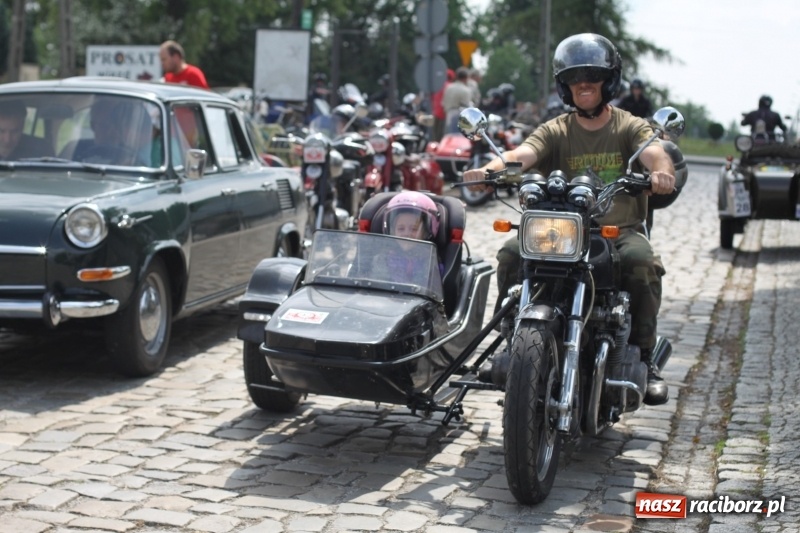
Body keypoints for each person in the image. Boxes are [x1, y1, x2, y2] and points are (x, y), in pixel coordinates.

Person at [463, 33, 676, 406]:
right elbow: (522, 154)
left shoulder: (629, 126)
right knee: (511, 254)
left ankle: (644, 355)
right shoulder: (556, 129)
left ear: (608, 80)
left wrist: (661, 172)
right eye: (575, 77)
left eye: (592, 75)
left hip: (615, 232)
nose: (584, 84)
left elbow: (654, 153)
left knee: (641, 262)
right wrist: (489, 169)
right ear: (565, 85)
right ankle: (513, 341)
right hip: (559, 231)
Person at [381, 191, 444, 278]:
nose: (407, 233)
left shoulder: (431, 261)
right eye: (401, 229)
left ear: (426, 231)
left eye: (414, 229)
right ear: (392, 230)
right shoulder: (383, 259)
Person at [442, 67, 474, 134]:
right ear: (466, 78)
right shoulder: (466, 90)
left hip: (448, 116)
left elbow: (443, 103)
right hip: (460, 119)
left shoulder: (448, 87)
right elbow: (467, 108)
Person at [432, 69, 455, 141]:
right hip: (445, 113)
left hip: (436, 112)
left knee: (436, 134)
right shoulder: (450, 86)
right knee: (444, 135)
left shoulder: (437, 85)